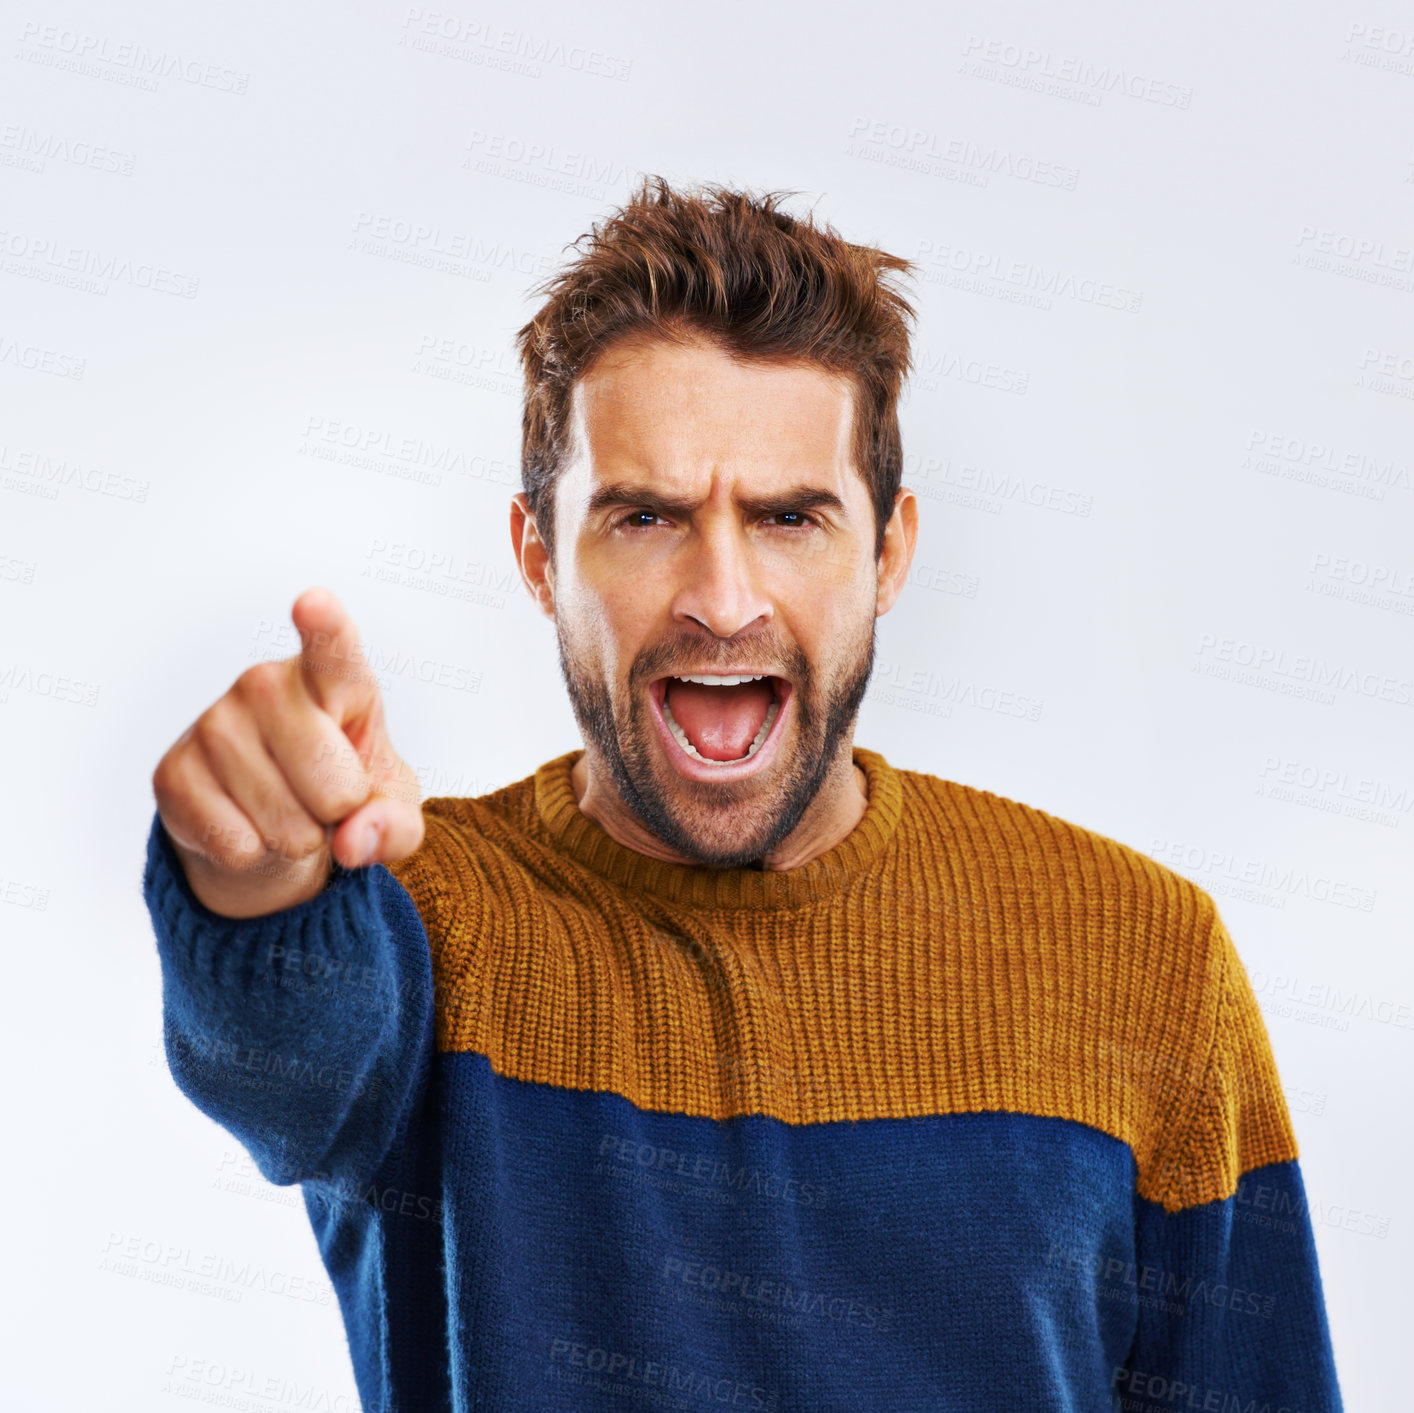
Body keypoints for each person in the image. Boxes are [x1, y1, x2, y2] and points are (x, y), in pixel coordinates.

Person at [143, 175, 1343, 1411]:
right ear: (538, 559)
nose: (722, 599)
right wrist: (257, 867)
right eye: (648, 516)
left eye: (787, 517)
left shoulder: (1143, 954)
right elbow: (280, 1055)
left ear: (888, 553)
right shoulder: (429, 922)